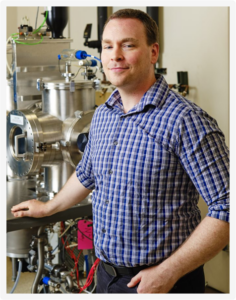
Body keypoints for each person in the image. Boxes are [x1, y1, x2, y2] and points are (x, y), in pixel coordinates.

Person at [11, 9, 229, 294]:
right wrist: (50, 207)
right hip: (107, 277)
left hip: (163, 283)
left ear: (153, 52)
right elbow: (87, 173)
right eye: (107, 46)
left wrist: (168, 272)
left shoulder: (185, 121)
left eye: (128, 44)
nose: (115, 55)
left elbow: (226, 206)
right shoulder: (103, 115)